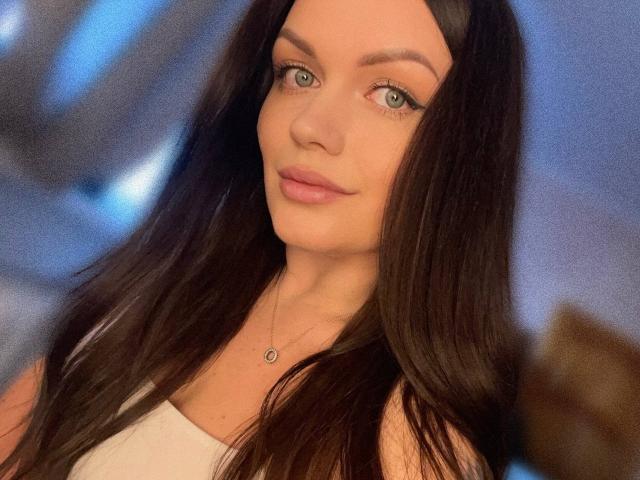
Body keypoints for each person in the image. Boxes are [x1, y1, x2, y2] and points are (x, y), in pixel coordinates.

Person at [0, 0, 526, 478]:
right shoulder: (152, 293)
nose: (310, 125)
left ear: (466, 153)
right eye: (299, 74)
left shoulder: (412, 451)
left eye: (392, 95)